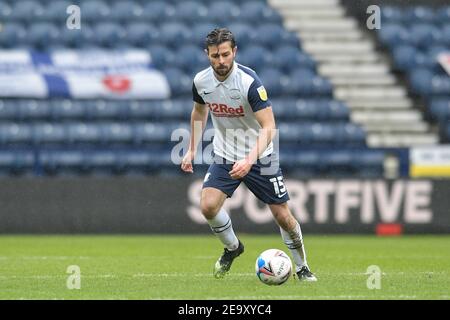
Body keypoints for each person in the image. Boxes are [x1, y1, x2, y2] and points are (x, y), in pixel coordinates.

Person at [181, 28, 316, 282]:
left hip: (260, 156)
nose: (220, 61)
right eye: (214, 56)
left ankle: (302, 267)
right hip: (224, 153)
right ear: (206, 55)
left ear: (234, 52)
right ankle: (233, 248)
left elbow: (269, 126)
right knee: (208, 206)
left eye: (225, 54)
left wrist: (249, 160)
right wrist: (191, 150)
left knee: (283, 217)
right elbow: (199, 112)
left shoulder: (249, 82)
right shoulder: (201, 81)